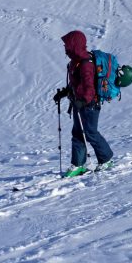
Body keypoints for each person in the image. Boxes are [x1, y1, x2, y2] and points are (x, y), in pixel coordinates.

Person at [53, 30, 114, 176]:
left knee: (90, 132)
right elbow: (75, 85)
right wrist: (64, 93)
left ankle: (106, 159)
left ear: (75, 45)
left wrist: (84, 101)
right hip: (78, 103)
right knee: (78, 133)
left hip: (90, 105)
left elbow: (89, 87)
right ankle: (78, 164)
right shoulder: (75, 62)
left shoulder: (86, 63)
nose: (65, 48)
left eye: (67, 45)